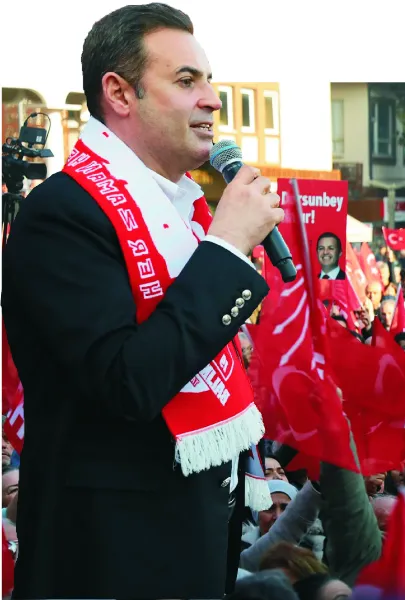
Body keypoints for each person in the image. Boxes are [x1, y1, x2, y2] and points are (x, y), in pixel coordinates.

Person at [1, 4, 284, 597]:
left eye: (209, 80)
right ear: (119, 93)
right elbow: (127, 381)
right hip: (110, 562)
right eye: (187, 81)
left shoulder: (180, 212)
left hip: (190, 557)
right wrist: (228, 249)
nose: (212, 99)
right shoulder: (62, 214)